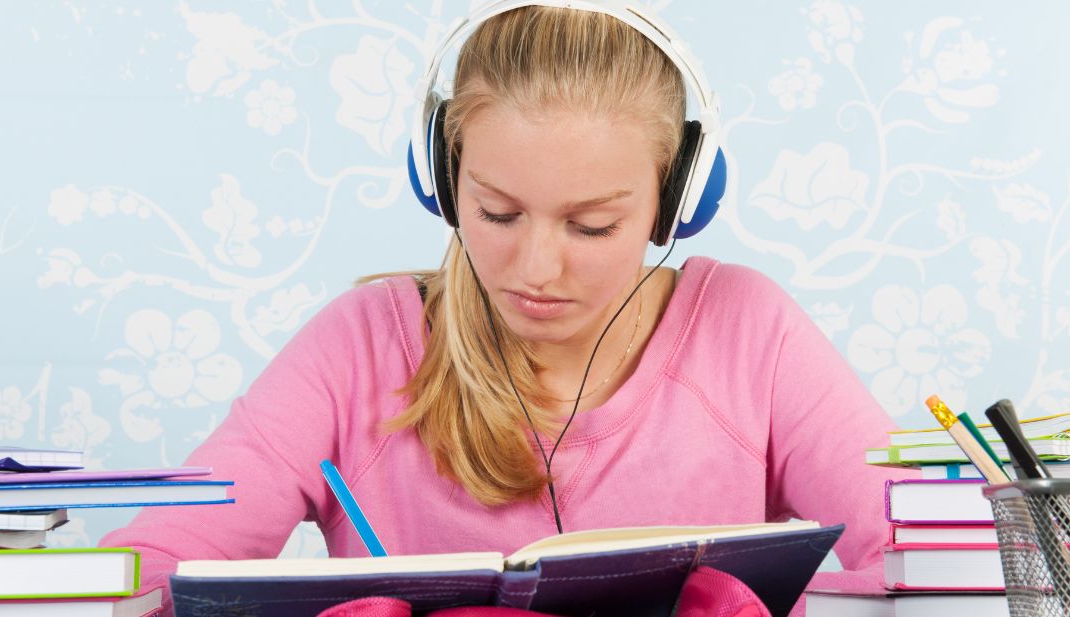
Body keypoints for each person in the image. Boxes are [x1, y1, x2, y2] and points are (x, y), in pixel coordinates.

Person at [100, 3, 918, 615]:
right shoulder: (358, 349)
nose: (535, 267)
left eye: (592, 225)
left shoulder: (749, 333)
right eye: (496, 212)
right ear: (443, 178)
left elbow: (923, 562)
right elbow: (144, 572)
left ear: (675, 205)